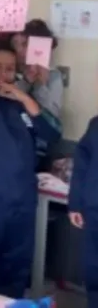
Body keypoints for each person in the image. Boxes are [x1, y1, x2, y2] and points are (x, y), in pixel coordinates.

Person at [0, 42, 61, 299]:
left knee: (14, 275)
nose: (2, 75)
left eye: (9, 69)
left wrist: (26, 97)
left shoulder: (23, 103)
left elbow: (52, 134)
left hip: (22, 206)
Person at [10, 19, 64, 168]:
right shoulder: (8, 70)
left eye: (24, 44)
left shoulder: (53, 76)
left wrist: (41, 83)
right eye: (15, 44)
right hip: (11, 141)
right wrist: (26, 81)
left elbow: (51, 118)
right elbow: (6, 102)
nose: (19, 50)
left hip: (39, 147)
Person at [68, 116, 98, 307]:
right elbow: (81, 164)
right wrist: (75, 204)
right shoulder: (96, 125)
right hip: (93, 212)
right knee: (93, 273)